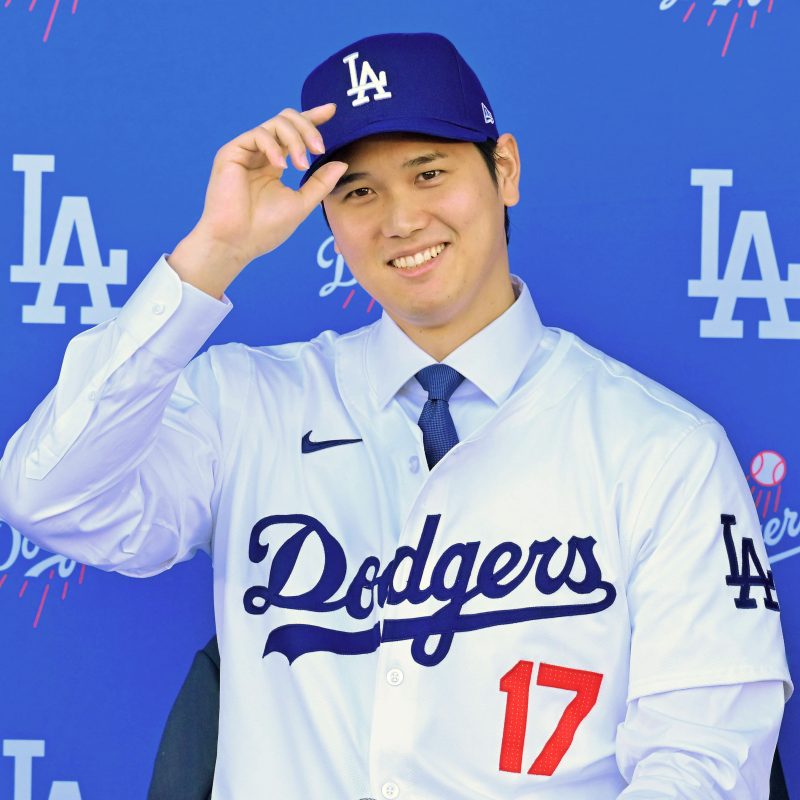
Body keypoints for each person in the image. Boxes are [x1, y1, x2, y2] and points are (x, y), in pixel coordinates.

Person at [0, 31, 792, 799]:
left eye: (429, 172)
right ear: (327, 218)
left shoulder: (662, 448)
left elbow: (706, 757)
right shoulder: (246, 404)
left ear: (504, 169)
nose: (401, 219)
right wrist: (215, 251)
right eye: (359, 192)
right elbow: (50, 496)